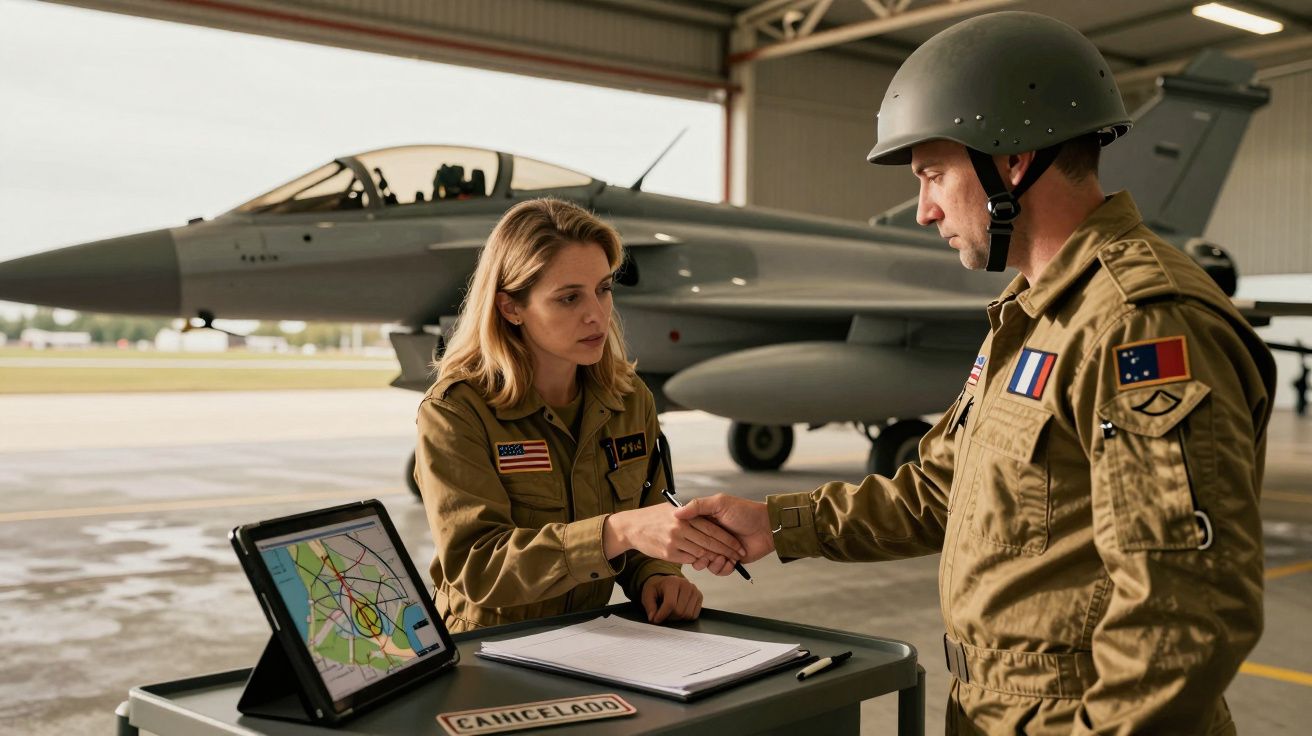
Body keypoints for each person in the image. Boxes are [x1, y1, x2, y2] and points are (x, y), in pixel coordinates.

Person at [674, 12, 1275, 734]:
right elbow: (943, 490)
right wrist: (776, 523)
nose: (924, 210)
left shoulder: (1140, 322)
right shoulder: (1030, 312)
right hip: (993, 710)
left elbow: (1186, 612)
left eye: (932, 174)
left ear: (1013, 160)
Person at [414, 198, 742, 634]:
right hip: (488, 647)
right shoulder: (456, 411)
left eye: (603, 289)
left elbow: (649, 516)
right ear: (511, 307)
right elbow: (479, 568)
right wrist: (614, 532)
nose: (596, 315)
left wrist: (657, 575)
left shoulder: (627, 400)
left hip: (592, 637)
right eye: (569, 298)